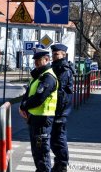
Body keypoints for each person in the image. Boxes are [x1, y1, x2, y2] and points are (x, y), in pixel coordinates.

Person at [19, 49, 58, 172]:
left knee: (42, 154)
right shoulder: (38, 76)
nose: (36, 63)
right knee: (37, 152)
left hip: (43, 119)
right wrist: (22, 106)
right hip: (35, 118)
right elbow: (29, 92)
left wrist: (24, 105)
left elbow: (39, 98)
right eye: (35, 60)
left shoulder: (48, 77)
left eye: (38, 60)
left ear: (47, 60)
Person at [50, 44, 75, 172]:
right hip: (57, 109)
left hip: (61, 110)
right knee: (54, 138)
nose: (54, 57)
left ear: (63, 55)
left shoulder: (63, 69)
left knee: (58, 138)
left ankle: (62, 164)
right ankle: (59, 162)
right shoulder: (56, 67)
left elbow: (59, 90)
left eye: (56, 54)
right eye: (53, 54)